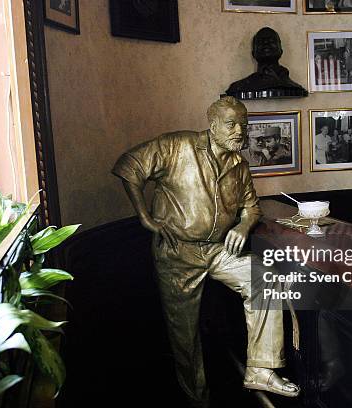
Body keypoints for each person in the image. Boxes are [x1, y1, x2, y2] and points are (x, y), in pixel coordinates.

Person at [112, 96, 300, 407]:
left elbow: (251, 208)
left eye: (244, 124)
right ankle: (197, 400)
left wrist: (242, 226)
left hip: (217, 249)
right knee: (184, 336)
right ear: (212, 125)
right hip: (177, 253)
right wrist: (145, 218)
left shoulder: (239, 164)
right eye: (231, 124)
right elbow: (128, 166)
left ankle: (261, 370)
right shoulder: (177, 146)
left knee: (264, 279)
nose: (239, 131)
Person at [226, 27, 308, 98]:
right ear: (253, 53)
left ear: (281, 51)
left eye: (271, 41)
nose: (266, 43)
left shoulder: (293, 87)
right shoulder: (238, 87)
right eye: (261, 42)